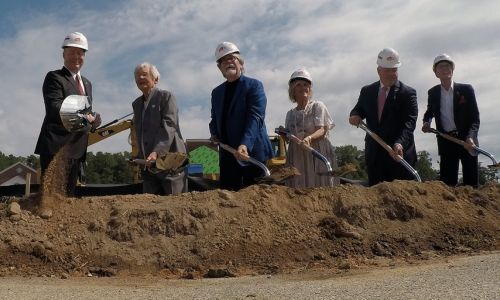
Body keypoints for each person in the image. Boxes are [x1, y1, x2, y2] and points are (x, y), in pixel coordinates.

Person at [35, 32, 101, 196]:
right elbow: (55, 107)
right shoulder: (54, 77)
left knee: (68, 197)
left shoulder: (87, 83)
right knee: (51, 197)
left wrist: (93, 120)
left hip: (77, 149)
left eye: (80, 53)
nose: (76, 56)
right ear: (63, 54)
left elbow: (86, 111)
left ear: (84, 56)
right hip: (56, 147)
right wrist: (86, 117)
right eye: (72, 52)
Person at [209, 42, 273, 191]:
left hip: (253, 154)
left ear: (240, 62)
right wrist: (214, 134)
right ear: (219, 68)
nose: (228, 62)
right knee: (228, 201)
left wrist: (244, 144)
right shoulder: (216, 93)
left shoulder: (254, 86)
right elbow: (214, 119)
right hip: (228, 156)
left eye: (232, 58)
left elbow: (255, 117)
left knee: (256, 201)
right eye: (223, 60)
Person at [349, 48, 418, 186]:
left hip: (399, 156)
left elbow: (409, 123)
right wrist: (354, 115)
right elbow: (358, 109)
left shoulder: (407, 93)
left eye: (394, 70)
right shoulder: (367, 91)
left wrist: (399, 143)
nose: (391, 74)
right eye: (387, 70)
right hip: (375, 156)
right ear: (378, 70)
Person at [422, 54, 480, 187]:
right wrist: (426, 122)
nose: (445, 69)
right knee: (447, 185)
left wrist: (471, 137)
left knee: (471, 185)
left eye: (448, 66)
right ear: (436, 73)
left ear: (452, 70)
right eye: (441, 67)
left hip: (467, 142)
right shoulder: (433, 93)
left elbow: (475, 119)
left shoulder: (466, 90)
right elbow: (429, 113)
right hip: (446, 141)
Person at [132, 62, 188, 195]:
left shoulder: (166, 97)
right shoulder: (137, 104)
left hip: (170, 163)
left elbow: (169, 125)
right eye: (137, 76)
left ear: (155, 79)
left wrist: (157, 151)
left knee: (174, 205)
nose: (140, 78)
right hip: (149, 167)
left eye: (144, 75)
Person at [283, 68, 339, 188]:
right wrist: (284, 134)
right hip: (298, 157)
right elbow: (289, 139)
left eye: (306, 84)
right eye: (299, 85)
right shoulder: (290, 114)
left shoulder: (317, 106)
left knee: (320, 188)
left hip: (317, 154)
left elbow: (322, 130)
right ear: (293, 89)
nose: (303, 88)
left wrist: (309, 138)